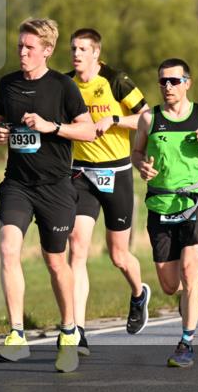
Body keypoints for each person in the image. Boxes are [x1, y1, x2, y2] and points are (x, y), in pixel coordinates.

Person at [0, 18, 96, 372]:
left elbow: (89, 131)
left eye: (29, 47)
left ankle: (68, 332)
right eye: (20, 45)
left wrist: (53, 127)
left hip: (55, 188)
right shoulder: (8, 84)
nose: (22, 52)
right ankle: (17, 335)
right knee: (8, 249)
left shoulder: (63, 86)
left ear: (46, 51)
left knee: (55, 262)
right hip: (17, 184)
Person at [132, 58, 198, 368]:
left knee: (191, 272)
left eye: (174, 81)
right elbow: (136, 152)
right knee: (169, 284)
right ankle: (189, 296)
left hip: (195, 201)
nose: (167, 87)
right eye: (162, 81)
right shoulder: (149, 119)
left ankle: (186, 342)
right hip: (160, 205)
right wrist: (142, 166)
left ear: (187, 83)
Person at [64, 28, 152, 351]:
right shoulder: (66, 84)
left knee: (118, 255)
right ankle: (78, 331)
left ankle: (139, 293)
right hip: (81, 174)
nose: (76, 54)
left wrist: (114, 118)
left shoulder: (116, 81)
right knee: (77, 249)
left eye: (83, 49)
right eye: (73, 48)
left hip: (116, 173)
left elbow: (147, 118)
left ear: (96, 54)